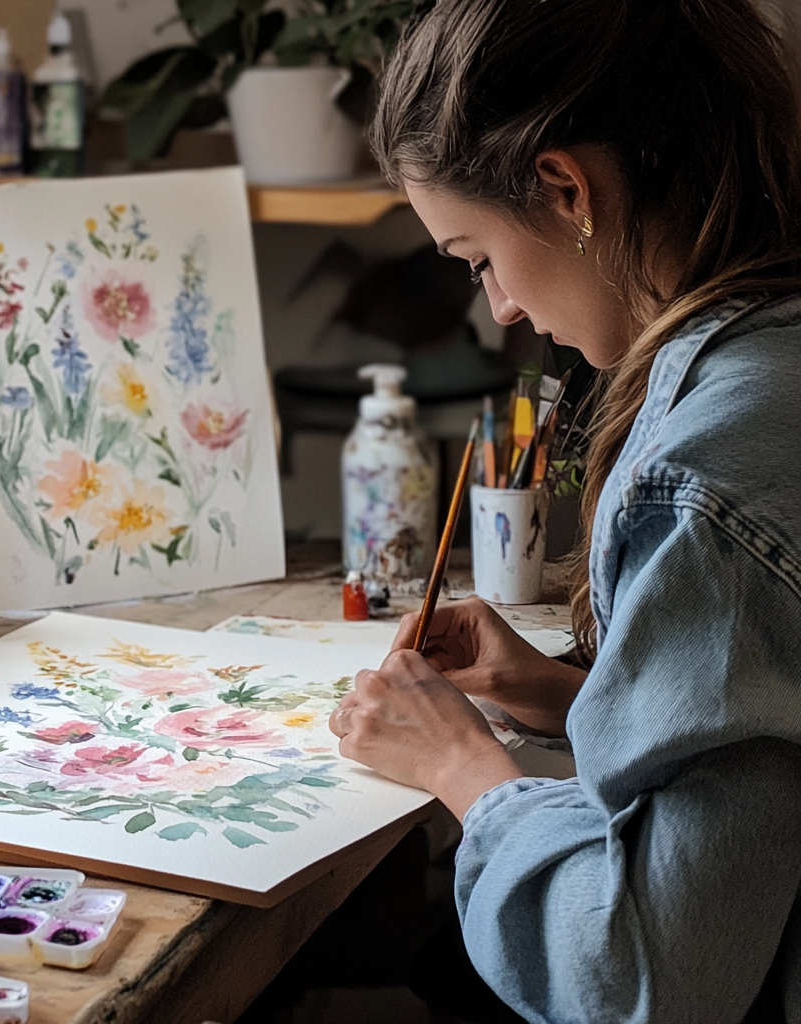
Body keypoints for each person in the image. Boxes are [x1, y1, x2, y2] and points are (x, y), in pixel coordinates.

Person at [327, 1, 801, 1022]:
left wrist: (462, 766)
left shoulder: (707, 470)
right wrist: (556, 693)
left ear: (563, 189)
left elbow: (643, 978)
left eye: (476, 258)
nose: (495, 307)